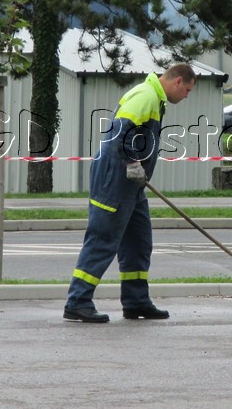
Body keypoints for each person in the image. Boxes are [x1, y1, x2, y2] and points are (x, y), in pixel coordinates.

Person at [63, 63, 197, 323]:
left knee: (138, 242)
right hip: (115, 179)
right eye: (188, 90)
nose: (186, 96)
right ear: (178, 81)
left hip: (132, 184)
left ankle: (136, 302)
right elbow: (119, 132)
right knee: (103, 239)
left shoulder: (155, 99)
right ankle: (77, 302)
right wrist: (132, 162)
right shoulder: (146, 96)